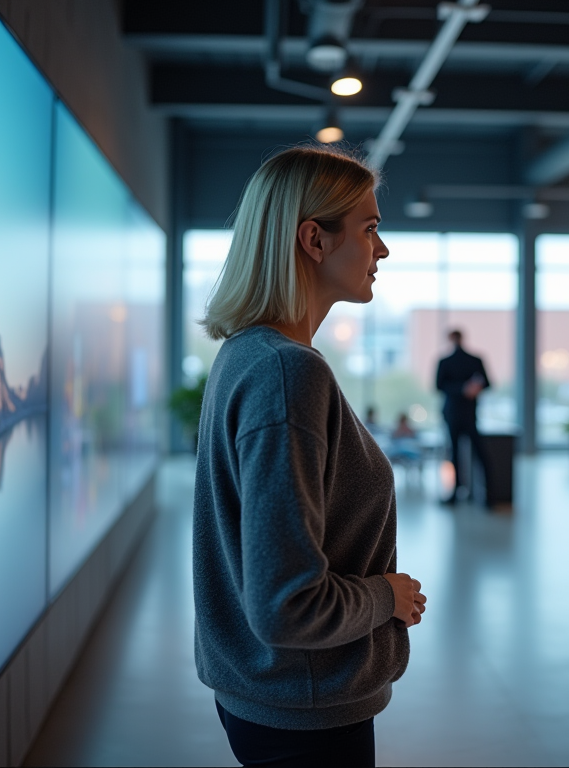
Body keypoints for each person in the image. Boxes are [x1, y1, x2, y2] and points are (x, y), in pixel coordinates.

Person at [194, 145, 425, 768]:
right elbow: (286, 605)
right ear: (313, 240)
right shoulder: (285, 373)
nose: (383, 249)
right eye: (371, 228)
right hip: (306, 714)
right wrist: (387, 596)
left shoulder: (247, 355)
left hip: (279, 699)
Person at [436, 330, 491, 506]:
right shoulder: (472, 360)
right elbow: (439, 385)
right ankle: (486, 495)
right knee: (464, 454)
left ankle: (483, 494)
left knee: (462, 454)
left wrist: (467, 389)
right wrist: (464, 389)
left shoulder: (450, 361)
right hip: (460, 414)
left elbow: (439, 386)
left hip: (460, 414)